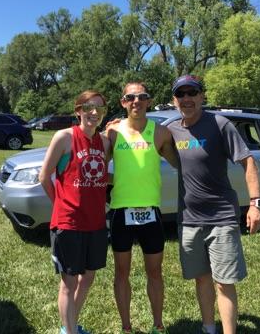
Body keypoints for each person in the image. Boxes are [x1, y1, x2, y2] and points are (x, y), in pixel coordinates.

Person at [167, 75, 260, 334]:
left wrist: (256, 204)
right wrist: (118, 125)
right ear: (174, 100)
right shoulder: (172, 130)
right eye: (181, 94)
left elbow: (248, 161)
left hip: (221, 217)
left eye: (192, 92)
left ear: (202, 96)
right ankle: (209, 328)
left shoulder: (219, 124)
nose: (186, 98)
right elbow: (141, 134)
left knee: (224, 282)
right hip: (188, 220)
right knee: (202, 278)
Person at [107, 82, 177, 334]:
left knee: (155, 272)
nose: (136, 101)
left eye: (142, 96)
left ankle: (158, 325)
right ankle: (126, 327)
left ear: (148, 101)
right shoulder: (112, 133)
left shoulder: (160, 133)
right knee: (122, 272)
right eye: (130, 97)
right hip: (120, 212)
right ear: (123, 102)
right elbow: (97, 169)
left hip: (150, 211)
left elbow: (183, 163)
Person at [39, 90, 111, 334]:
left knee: (88, 278)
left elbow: (100, 173)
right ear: (78, 110)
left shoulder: (104, 142)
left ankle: (70, 325)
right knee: (69, 283)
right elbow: (44, 176)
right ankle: (69, 331)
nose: (94, 113)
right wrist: (60, 203)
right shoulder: (65, 137)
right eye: (88, 107)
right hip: (68, 223)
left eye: (99, 109)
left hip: (96, 223)